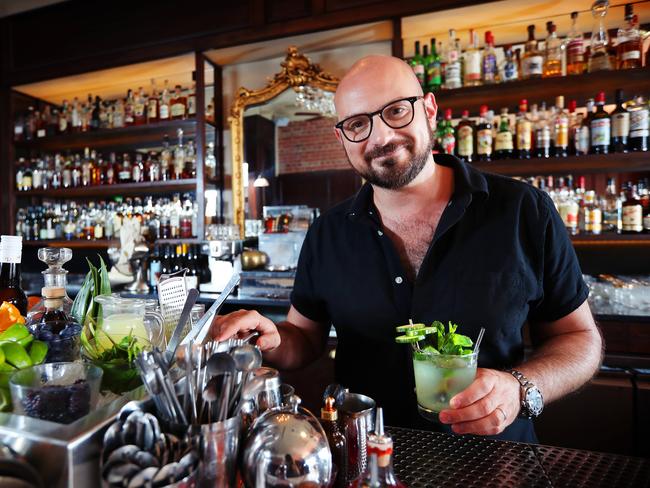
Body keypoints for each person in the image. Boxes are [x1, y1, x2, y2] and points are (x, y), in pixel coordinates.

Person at [212, 55, 603, 442]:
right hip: (366, 459)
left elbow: (581, 339)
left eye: (397, 111)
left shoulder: (521, 210)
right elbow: (304, 338)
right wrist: (272, 339)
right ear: (341, 137)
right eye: (358, 124)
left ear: (429, 109)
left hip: (495, 463)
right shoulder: (326, 233)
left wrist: (520, 388)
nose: (380, 137)